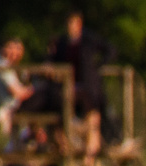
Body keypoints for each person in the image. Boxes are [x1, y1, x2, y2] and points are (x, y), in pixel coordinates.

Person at [48, 11, 113, 156]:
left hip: (88, 89)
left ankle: (89, 162)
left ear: (79, 24)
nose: (70, 26)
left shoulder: (89, 39)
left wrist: (97, 66)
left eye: (73, 23)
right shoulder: (62, 42)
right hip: (69, 88)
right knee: (69, 119)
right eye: (68, 23)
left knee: (93, 121)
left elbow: (110, 50)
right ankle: (83, 156)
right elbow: (53, 60)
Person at [0, 38, 33, 134]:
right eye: (10, 47)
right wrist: (33, 90)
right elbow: (16, 92)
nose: (14, 52)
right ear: (2, 48)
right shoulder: (1, 64)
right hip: (6, 105)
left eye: (17, 49)